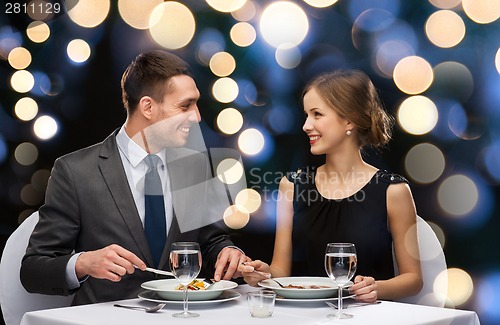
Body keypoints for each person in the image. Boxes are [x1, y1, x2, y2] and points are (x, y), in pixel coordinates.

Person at [20, 50, 246, 305]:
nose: (197, 116)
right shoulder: (75, 171)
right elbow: (33, 271)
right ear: (148, 106)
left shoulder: (194, 167)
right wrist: (82, 263)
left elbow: (210, 240)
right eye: (185, 105)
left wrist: (228, 252)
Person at [240, 69, 423, 302]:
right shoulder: (292, 186)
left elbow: (413, 279)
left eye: (317, 115)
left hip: (369, 322)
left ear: (350, 119)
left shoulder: (393, 191)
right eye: (306, 115)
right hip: (304, 318)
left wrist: (376, 288)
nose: (306, 125)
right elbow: (281, 271)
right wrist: (263, 274)